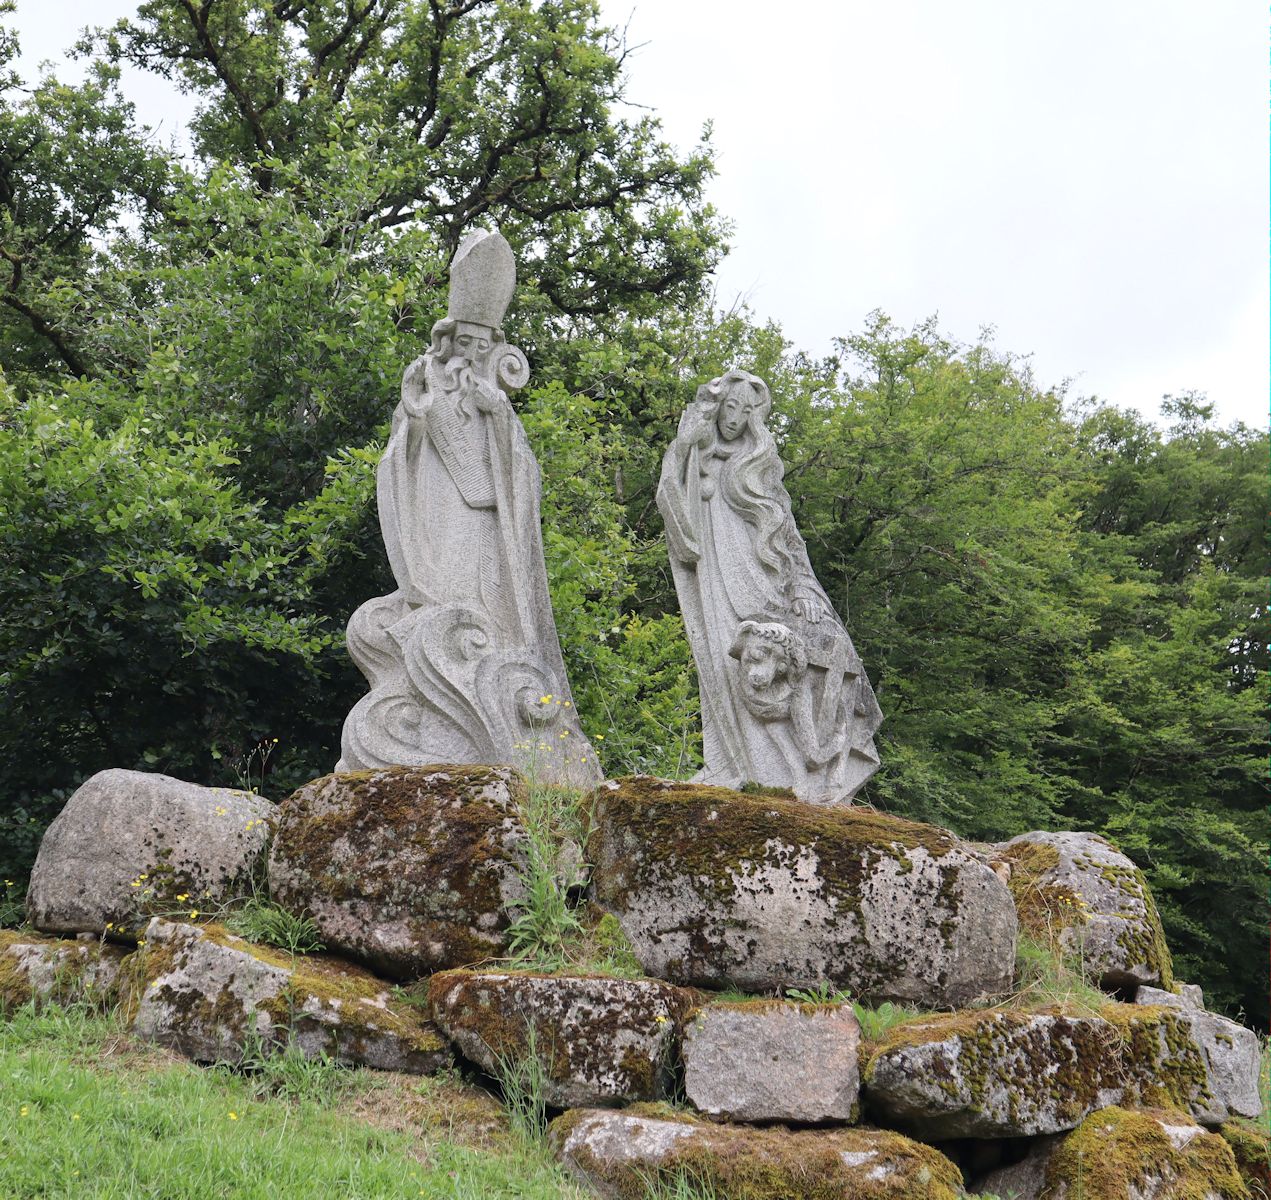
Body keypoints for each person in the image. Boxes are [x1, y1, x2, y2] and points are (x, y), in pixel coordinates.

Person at [657, 369, 881, 802]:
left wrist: (801, 590)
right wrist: (686, 443)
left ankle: (806, 772)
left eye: (745, 411)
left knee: (798, 666)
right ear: (718, 407)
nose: (735, 418)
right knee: (719, 665)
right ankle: (733, 764)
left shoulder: (758, 470)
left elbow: (790, 541)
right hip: (715, 581)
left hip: (761, 584)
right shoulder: (693, 457)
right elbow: (671, 503)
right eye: (730, 407)